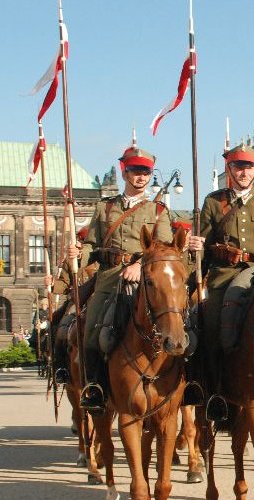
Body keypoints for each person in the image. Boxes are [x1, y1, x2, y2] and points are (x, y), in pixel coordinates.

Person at [65, 145, 183, 411]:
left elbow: (162, 246)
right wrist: (77, 253)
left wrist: (140, 265)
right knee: (91, 333)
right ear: (124, 172)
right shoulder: (104, 209)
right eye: (135, 171)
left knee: (178, 325)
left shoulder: (158, 212)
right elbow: (91, 245)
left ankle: (180, 386)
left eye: (146, 172)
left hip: (147, 281)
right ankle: (95, 387)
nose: (141, 177)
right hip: (109, 280)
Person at [190, 145, 254, 421]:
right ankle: (214, 391)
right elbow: (204, 245)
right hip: (225, 275)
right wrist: (195, 247)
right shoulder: (214, 202)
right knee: (209, 329)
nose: (244, 172)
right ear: (229, 170)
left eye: (248, 167)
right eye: (238, 167)